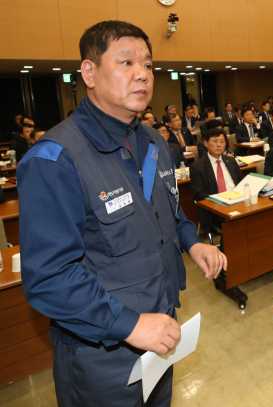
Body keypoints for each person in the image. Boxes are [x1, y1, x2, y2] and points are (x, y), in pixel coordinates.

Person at [17, 20, 226, 407]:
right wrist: (130, 325)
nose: (142, 75)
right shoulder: (55, 158)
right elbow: (48, 277)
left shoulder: (152, 141)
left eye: (147, 65)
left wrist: (193, 244)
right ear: (90, 73)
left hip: (160, 328)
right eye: (127, 62)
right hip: (102, 351)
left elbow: (169, 215)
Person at [190, 128, 242, 234]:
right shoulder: (197, 166)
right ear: (206, 143)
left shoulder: (231, 161)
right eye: (215, 141)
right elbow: (198, 194)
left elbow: (241, 183)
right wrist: (223, 199)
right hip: (215, 209)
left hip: (237, 203)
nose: (219, 144)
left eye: (222, 141)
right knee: (237, 225)